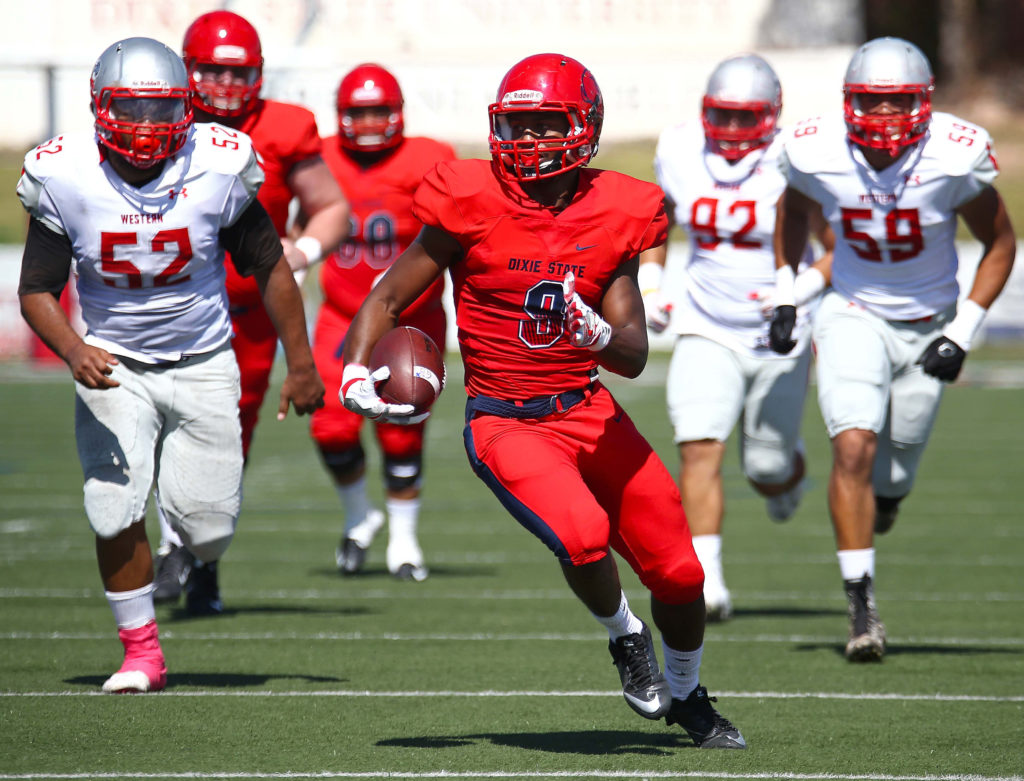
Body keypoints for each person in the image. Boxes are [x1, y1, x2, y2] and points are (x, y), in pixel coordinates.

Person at [340, 52, 745, 748]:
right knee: (583, 533)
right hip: (505, 419)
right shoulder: (469, 200)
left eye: (543, 124)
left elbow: (633, 352)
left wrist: (594, 332)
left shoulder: (619, 207)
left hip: (585, 408)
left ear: (584, 127)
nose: (526, 141)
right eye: (516, 125)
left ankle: (688, 694)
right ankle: (624, 635)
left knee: (681, 570)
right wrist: (352, 370)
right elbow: (387, 296)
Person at [16, 37, 324, 692]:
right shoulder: (64, 172)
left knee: (211, 527)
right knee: (111, 505)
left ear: (189, 108)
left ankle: (184, 550)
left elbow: (270, 265)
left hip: (206, 357)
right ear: (100, 106)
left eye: (161, 110)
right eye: (131, 109)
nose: (147, 126)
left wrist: (301, 361)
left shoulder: (218, 162)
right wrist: (73, 348)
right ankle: (141, 652)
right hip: (113, 360)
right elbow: (36, 289)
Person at [769, 37, 1015, 661]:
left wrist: (961, 332)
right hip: (851, 310)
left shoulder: (956, 156)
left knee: (894, 473)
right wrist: (786, 292)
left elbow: (1000, 243)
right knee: (852, 445)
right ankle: (859, 603)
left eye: (898, 103)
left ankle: (888, 502)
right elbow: (792, 212)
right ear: (849, 102)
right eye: (872, 104)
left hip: (928, 323)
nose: (884, 119)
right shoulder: (815, 148)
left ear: (924, 103)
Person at [151, 10, 349, 613]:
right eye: (211, 69)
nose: (225, 84)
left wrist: (305, 249)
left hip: (251, 307)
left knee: (227, 433)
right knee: (155, 423)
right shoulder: (155, 116)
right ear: (186, 68)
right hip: (166, 298)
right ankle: (171, 550)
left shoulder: (284, 127)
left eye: (237, 71)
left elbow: (331, 207)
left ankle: (197, 558)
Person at [644, 54, 833, 621]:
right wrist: (651, 286)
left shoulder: (796, 158)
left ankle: (785, 472)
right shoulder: (679, 149)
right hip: (706, 321)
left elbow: (834, 251)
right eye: (720, 116)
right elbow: (660, 221)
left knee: (768, 469)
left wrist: (790, 297)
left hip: (781, 329)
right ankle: (710, 583)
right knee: (698, 445)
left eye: (742, 117)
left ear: (772, 115)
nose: (728, 131)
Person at [306, 63, 457, 580]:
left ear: (398, 113)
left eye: (378, 110)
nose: (368, 122)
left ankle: (405, 541)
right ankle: (358, 516)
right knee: (329, 426)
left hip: (411, 318)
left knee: (402, 431)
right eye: (358, 112)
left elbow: (455, 237)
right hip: (343, 313)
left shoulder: (430, 158)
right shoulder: (318, 155)